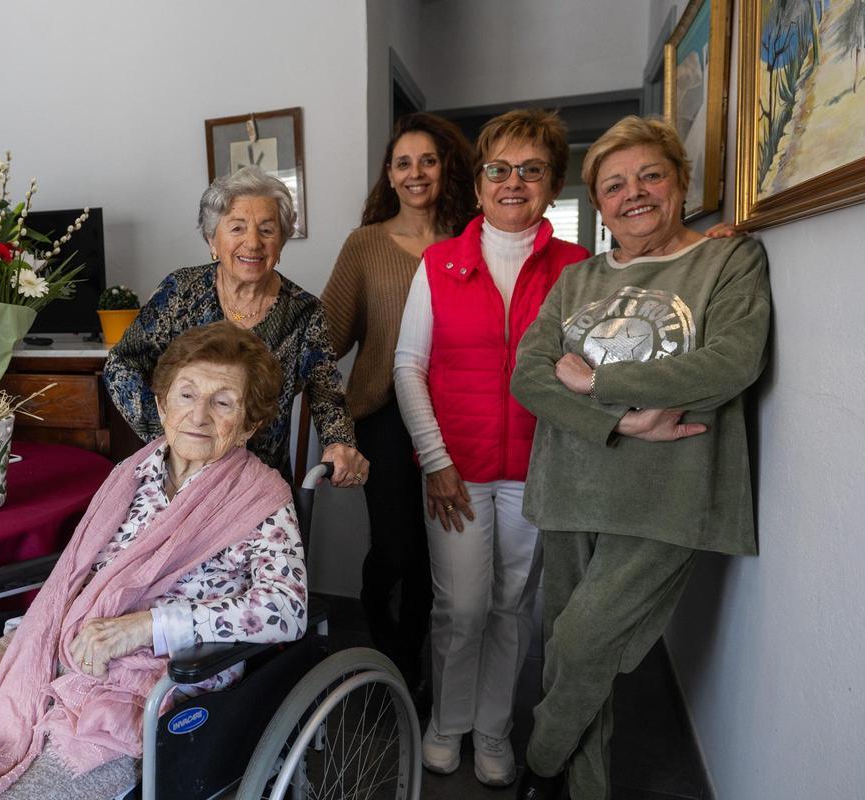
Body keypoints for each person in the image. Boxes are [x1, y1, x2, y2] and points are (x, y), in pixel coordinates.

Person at [0, 322, 308, 800]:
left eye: (223, 402)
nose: (198, 415)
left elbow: (288, 608)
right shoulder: (130, 476)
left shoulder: (261, 496)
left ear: (248, 425)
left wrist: (150, 626)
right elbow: (81, 580)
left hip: (153, 683)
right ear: (161, 405)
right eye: (186, 395)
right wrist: (14, 645)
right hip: (66, 653)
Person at [509, 115, 770, 800]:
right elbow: (530, 374)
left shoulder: (727, 261)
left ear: (680, 182)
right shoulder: (576, 281)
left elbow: (732, 362)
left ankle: (540, 760)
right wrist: (624, 421)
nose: (634, 194)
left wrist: (600, 381)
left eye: (650, 175)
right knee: (573, 650)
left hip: (668, 494)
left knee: (580, 645)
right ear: (598, 204)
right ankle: (580, 788)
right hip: (570, 484)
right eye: (614, 185)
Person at [393, 108, 590, 787]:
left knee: (513, 608)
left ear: (553, 184)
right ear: (477, 186)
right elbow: (407, 366)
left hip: (539, 469)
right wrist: (436, 461)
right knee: (462, 607)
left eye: (531, 170)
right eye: (499, 169)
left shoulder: (577, 268)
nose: (514, 182)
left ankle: (493, 729)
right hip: (460, 471)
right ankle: (446, 724)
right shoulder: (440, 264)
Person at [321, 113, 476, 696]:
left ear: (446, 169)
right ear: (388, 175)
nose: (416, 174)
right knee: (397, 545)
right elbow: (328, 338)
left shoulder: (473, 240)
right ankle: (385, 640)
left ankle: (414, 668)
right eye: (403, 163)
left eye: (428, 161)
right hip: (384, 416)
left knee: (442, 548)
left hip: (458, 412)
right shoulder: (365, 244)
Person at [104, 166, 368, 487]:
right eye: (237, 228)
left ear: (282, 242)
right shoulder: (181, 291)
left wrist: (339, 443)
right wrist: (171, 436)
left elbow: (327, 396)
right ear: (212, 239)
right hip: (179, 476)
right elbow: (121, 364)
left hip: (258, 483)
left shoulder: (304, 311)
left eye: (267, 230)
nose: (253, 242)